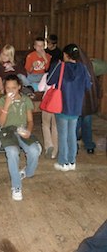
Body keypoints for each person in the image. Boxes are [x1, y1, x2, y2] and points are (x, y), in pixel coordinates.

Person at [47, 44, 91, 172]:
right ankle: (72, 162)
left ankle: (63, 162)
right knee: (72, 134)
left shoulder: (60, 66)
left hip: (61, 105)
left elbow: (49, 80)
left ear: (65, 54)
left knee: (63, 135)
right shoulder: (83, 68)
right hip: (76, 106)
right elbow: (88, 85)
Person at [0, 74, 41, 201]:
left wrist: (28, 131)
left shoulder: (25, 100)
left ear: (19, 87)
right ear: (4, 89)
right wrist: (6, 105)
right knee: (12, 152)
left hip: (22, 129)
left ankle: (27, 172)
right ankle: (16, 186)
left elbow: (30, 121)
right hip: (8, 131)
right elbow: (1, 123)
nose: (11, 91)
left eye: (14, 88)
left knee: (34, 151)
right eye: (8, 88)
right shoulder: (2, 101)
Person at [76, 47, 100, 154]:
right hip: (89, 101)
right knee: (87, 123)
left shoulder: (75, 67)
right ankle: (89, 145)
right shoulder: (89, 66)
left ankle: (75, 144)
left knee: (76, 123)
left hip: (78, 101)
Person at [38, 71, 58, 159]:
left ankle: (48, 145)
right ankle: (55, 151)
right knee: (55, 126)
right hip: (58, 103)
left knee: (45, 124)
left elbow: (40, 88)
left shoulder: (47, 75)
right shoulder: (62, 74)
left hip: (47, 103)